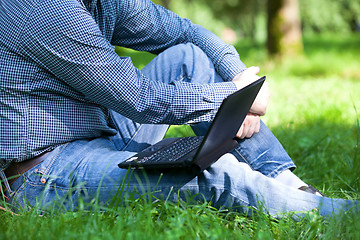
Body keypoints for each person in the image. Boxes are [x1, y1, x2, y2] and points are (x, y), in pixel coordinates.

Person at [0, 0, 357, 217]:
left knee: (188, 58)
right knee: (212, 172)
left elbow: (186, 32)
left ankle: (288, 185)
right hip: (45, 169)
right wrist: (227, 95)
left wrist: (240, 86)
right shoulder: (46, 10)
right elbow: (139, 99)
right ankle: (336, 217)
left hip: (101, 128)